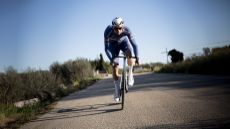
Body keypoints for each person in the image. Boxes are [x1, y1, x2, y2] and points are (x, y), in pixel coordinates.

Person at [104, 17, 139, 102]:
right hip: (113, 46)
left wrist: (137, 56)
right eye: (116, 29)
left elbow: (135, 45)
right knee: (114, 66)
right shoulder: (107, 31)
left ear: (123, 27)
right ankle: (116, 88)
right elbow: (106, 49)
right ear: (113, 28)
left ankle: (130, 73)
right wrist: (111, 59)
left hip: (124, 43)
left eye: (120, 28)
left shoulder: (127, 30)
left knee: (129, 53)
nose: (118, 31)